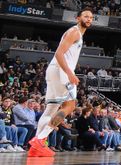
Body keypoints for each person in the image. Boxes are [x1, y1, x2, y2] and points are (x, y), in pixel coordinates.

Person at [28, 8, 94, 156]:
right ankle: (40, 139)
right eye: (86, 16)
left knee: (51, 109)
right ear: (78, 18)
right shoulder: (74, 32)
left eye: (91, 17)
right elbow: (59, 53)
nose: (89, 19)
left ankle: (36, 146)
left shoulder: (77, 33)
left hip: (54, 70)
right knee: (70, 106)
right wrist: (70, 73)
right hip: (61, 71)